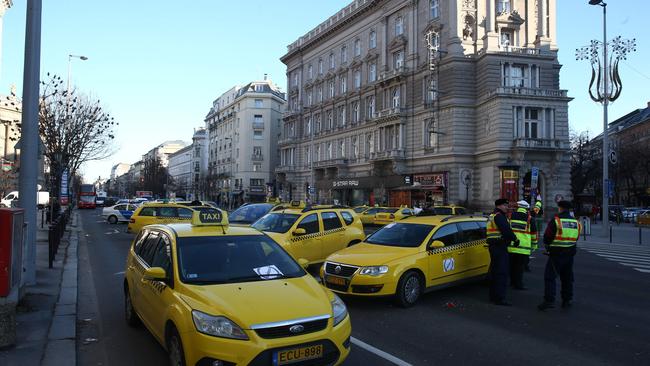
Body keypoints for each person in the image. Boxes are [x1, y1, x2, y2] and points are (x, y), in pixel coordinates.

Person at [538, 200, 581, 311]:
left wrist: (549, 245)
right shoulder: (576, 222)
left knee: (550, 277)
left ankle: (549, 300)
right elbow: (576, 237)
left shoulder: (556, 220)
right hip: (570, 254)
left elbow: (547, 237)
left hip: (556, 254)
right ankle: (567, 300)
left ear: (560, 208)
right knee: (567, 278)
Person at [487, 198, 518, 306]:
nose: (507, 207)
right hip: (499, 246)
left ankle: (493, 296)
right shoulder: (499, 216)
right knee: (501, 273)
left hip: (494, 246)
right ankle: (499, 298)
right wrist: (515, 239)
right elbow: (506, 230)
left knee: (495, 272)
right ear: (499, 206)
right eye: (505, 205)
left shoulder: (492, 215)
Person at [508, 200, 537, 290]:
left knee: (511, 266)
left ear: (518, 207)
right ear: (526, 208)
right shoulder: (530, 218)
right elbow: (533, 234)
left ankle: (511, 282)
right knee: (519, 268)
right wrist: (534, 246)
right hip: (523, 248)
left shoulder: (510, 216)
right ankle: (518, 284)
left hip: (511, 246)